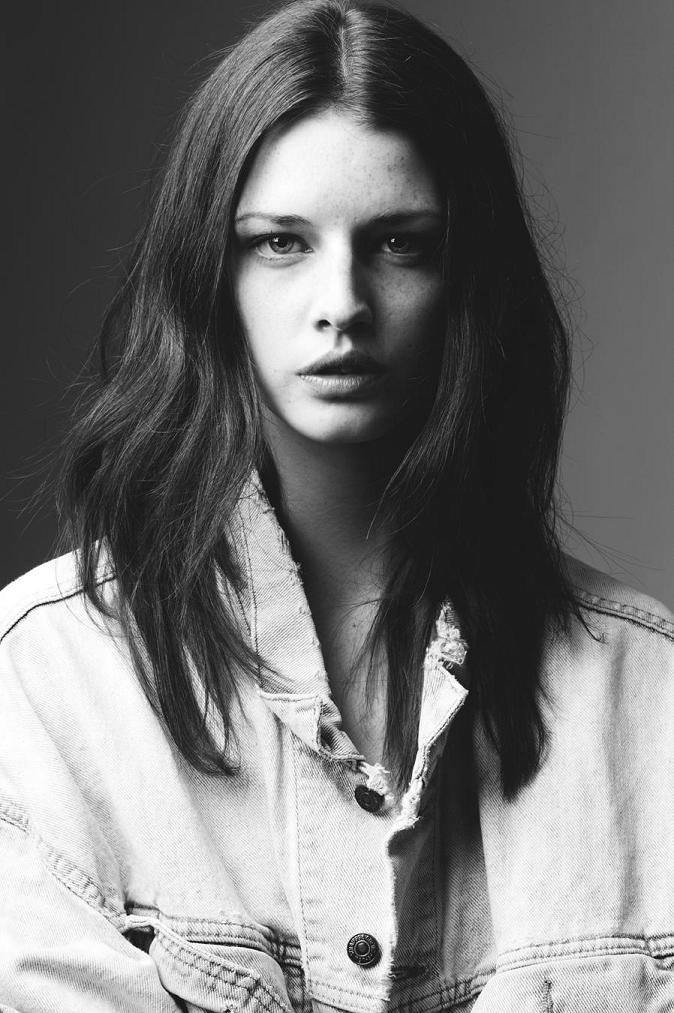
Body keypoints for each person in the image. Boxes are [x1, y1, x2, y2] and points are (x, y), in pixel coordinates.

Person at [1, 0, 672, 1010]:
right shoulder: (47, 685)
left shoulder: (649, 701)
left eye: (399, 243)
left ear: (467, 275)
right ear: (209, 273)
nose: (342, 305)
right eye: (280, 243)